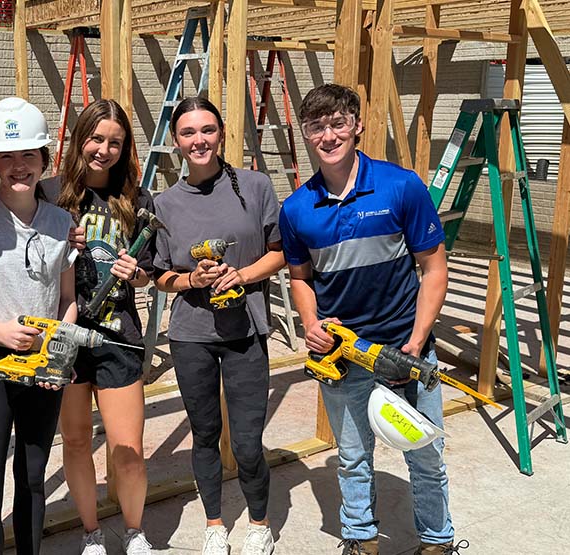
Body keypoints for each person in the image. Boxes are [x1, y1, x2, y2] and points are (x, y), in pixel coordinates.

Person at [278, 84, 459, 555]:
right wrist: (311, 324)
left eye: (338, 123)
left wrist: (415, 346)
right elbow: (300, 277)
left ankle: (437, 541)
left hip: (406, 349)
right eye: (316, 126)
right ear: (306, 135)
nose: (328, 135)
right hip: (343, 356)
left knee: (425, 455)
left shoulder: (401, 187)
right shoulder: (297, 208)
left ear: (357, 125)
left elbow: (434, 269)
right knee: (354, 457)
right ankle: (360, 539)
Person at [152, 96, 285, 555]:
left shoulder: (255, 186)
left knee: (248, 441)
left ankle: (259, 523)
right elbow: (158, 273)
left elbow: (280, 250)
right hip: (192, 337)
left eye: (207, 130)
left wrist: (241, 275)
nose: (199, 140)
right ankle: (214, 524)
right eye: (188, 133)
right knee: (205, 433)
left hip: (245, 332)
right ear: (176, 142)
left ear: (221, 133)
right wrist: (191, 278)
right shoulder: (165, 203)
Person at [40, 99, 155, 555]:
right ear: (79, 139)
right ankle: (90, 532)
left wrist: (137, 273)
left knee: (128, 450)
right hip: (66, 337)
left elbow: (150, 272)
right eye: (96, 138)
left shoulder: (137, 200)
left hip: (119, 337)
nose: (104, 150)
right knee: (75, 440)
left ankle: (133, 531)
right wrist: (56, 242)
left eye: (115, 142)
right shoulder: (49, 195)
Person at [0, 97, 78, 555]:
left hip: (45, 362)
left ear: (44, 160)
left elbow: (68, 300)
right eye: (7, 157)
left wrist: (59, 349)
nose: (19, 167)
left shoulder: (60, 222)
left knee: (32, 479)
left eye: (29, 155)